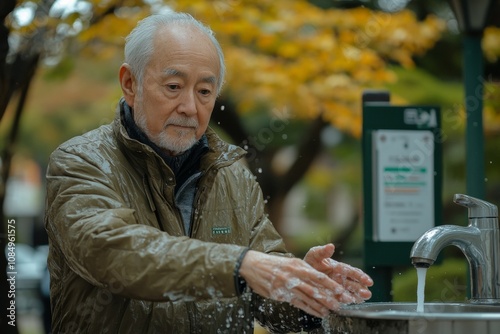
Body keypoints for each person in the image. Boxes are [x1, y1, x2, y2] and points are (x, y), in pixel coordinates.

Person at [44, 12, 373, 333]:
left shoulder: (234, 177)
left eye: (204, 92)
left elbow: (266, 295)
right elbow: (110, 252)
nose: (190, 107)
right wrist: (239, 265)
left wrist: (305, 289)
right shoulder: (80, 162)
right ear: (131, 83)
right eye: (173, 86)